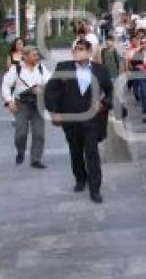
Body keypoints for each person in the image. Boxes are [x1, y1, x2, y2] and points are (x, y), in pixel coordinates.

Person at [44, 40, 113, 203]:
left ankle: (95, 188)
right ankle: (80, 178)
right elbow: (50, 91)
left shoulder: (100, 70)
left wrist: (104, 104)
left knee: (92, 153)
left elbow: (111, 92)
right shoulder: (63, 68)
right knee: (75, 151)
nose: (77, 52)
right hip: (70, 118)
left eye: (81, 49)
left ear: (89, 52)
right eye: (75, 49)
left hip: (92, 120)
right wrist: (54, 112)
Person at [1, 46, 51, 168]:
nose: (37, 57)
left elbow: (50, 83)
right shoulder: (16, 69)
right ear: (25, 56)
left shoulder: (41, 68)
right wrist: (9, 101)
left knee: (39, 134)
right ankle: (20, 150)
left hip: (38, 104)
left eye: (37, 55)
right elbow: (6, 85)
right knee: (21, 133)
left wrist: (42, 88)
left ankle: (36, 159)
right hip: (22, 104)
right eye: (34, 55)